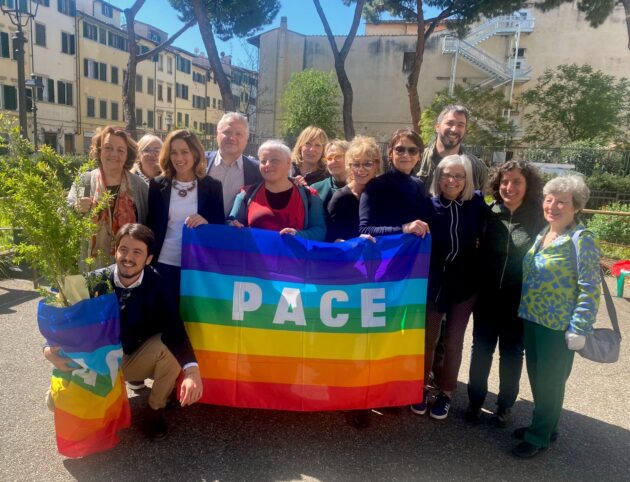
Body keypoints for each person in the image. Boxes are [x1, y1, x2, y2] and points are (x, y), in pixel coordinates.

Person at [43, 223, 203, 439]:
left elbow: (174, 328)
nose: (128, 257)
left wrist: (192, 371)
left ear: (148, 259)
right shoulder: (92, 282)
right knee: (56, 404)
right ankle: (78, 394)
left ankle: (155, 408)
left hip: (131, 357)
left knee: (169, 349)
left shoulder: (159, 284)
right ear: (115, 251)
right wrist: (47, 349)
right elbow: (62, 322)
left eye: (137, 252)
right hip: (95, 362)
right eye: (124, 250)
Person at [512, 175, 600, 458]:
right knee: (538, 378)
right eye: (549, 200)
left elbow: (590, 288)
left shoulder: (581, 240)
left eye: (562, 202)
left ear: (576, 207)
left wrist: (580, 326)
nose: (553, 206)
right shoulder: (545, 233)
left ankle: (539, 437)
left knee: (550, 382)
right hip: (532, 317)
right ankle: (545, 426)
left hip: (559, 325)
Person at [466, 161, 545, 427]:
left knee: (512, 352)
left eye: (516, 182)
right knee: (481, 350)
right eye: (504, 181)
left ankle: (504, 405)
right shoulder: (489, 213)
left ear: (528, 186)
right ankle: (475, 401)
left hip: (519, 299)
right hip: (487, 297)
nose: (509, 187)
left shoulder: (538, 217)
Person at [411, 154, 485, 420]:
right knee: (427, 340)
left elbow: (487, 236)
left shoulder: (476, 204)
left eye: (458, 176)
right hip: (433, 283)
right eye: (446, 175)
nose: (451, 180)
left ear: (467, 180)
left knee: (453, 341)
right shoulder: (427, 205)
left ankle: (446, 392)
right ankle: (420, 388)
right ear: (437, 177)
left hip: (465, 284)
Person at [147, 129, 225, 302]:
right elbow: (150, 224)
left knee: (191, 321)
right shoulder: (157, 184)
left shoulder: (212, 186)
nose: (178, 158)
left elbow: (220, 226)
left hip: (196, 265)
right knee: (168, 319)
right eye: (173, 152)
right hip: (164, 261)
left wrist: (206, 222)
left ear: (195, 154)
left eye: (184, 152)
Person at [68, 126, 148, 269]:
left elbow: (148, 225)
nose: (114, 154)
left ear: (127, 154)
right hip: (90, 265)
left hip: (129, 266)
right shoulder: (85, 181)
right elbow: (63, 215)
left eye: (120, 150)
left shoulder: (139, 186)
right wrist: (75, 208)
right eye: (108, 148)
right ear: (99, 151)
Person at [228, 139, 326, 241]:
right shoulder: (246, 194)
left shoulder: (309, 195)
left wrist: (298, 235)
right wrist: (232, 225)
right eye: (263, 161)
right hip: (255, 256)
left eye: (274, 160)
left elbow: (320, 231)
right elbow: (230, 222)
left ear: (288, 163)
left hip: (294, 256)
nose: (268, 165)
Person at [359, 128, 430, 238]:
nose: (406, 155)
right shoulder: (376, 186)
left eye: (413, 151)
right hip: (386, 253)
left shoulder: (419, 185)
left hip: (412, 252)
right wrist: (404, 228)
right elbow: (364, 229)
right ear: (390, 153)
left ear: (419, 156)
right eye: (400, 149)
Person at [417, 105, 488, 191]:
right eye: (449, 123)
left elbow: (480, 201)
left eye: (460, 125)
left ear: (465, 131)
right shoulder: (417, 160)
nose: (454, 129)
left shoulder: (477, 167)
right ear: (437, 127)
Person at [205, 112, 263, 217]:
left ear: (246, 140)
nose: (232, 138)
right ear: (217, 135)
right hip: (201, 230)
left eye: (239, 134)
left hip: (238, 232)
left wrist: (294, 181)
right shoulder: (200, 162)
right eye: (227, 132)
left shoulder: (257, 170)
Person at [328, 136, 381, 242]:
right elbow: (331, 237)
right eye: (356, 164)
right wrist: (354, 242)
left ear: (377, 166)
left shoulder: (384, 194)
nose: (361, 170)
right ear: (349, 167)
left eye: (367, 164)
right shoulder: (340, 198)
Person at [311, 139, 350, 212]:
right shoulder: (316, 189)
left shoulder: (360, 187)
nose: (333, 161)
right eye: (329, 158)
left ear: (350, 158)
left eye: (338, 157)